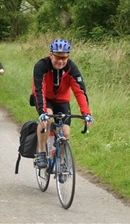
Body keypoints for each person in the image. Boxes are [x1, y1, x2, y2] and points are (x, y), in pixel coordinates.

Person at [32, 39, 93, 169]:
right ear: (51, 55)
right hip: (45, 98)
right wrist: (42, 112)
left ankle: (62, 162)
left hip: (62, 101)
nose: (61, 61)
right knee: (47, 118)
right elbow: (38, 89)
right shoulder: (41, 66)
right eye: (58, 57)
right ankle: (42, 152)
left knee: (65, 133)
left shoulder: (71, 68)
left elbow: (80, 91)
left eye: (64, 57)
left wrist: (86, 113)